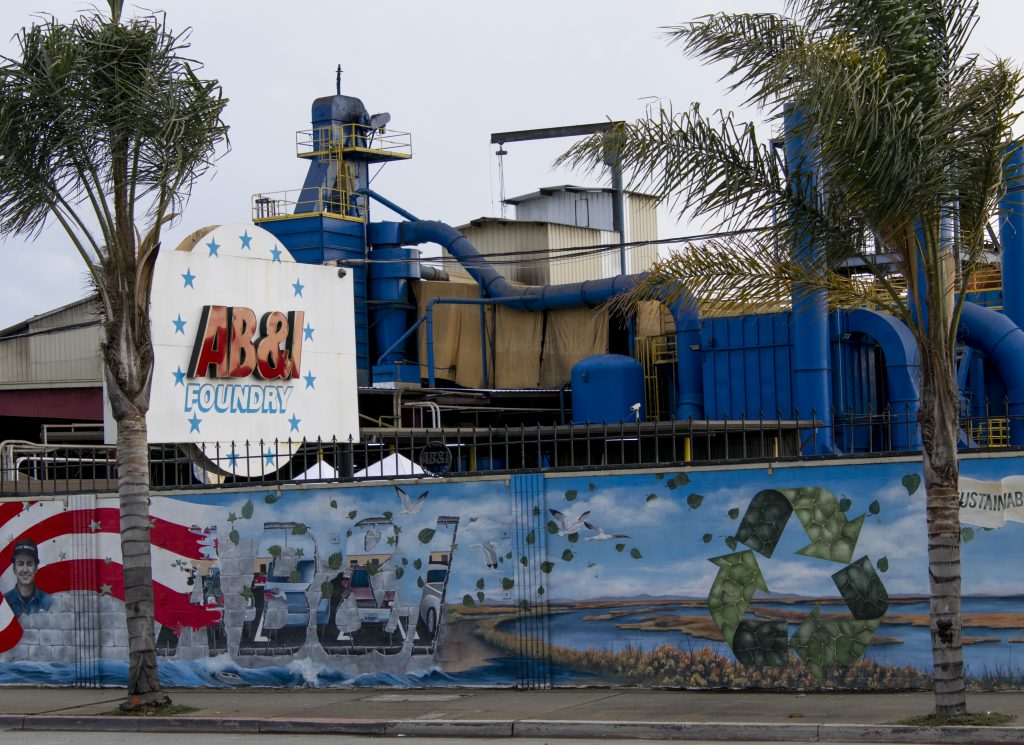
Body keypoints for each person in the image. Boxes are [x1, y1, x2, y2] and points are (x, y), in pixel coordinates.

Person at [4, 538, 52, 615]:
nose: (25, 570)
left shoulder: (48, 602)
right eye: (20, 564)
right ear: (14, 569)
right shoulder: (4, 602)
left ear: (36, 568)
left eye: (29, 564)